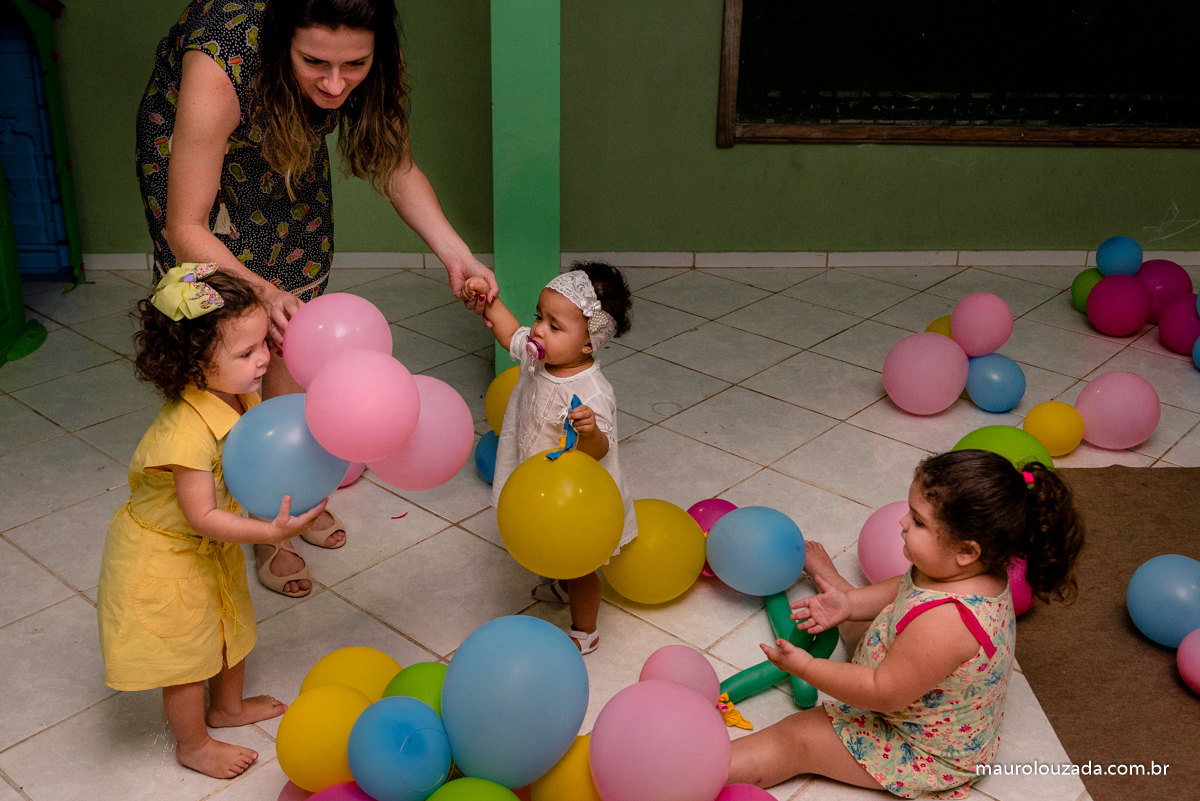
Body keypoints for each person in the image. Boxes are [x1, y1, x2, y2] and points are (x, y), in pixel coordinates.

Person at [136, 0, 498, 594]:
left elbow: (396, 165)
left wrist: (456, 253)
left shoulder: (363, 62)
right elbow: (186, 227)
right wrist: (261, 291)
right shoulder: (221, 63)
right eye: (315, 63)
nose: (335, 84)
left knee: (293, 320)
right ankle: (259, 513)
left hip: (283, 141)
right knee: (233, 337)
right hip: (197, 174)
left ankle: (290, 488)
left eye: (353, 65)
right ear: (281, 41)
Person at [728, 450, 1084, 798]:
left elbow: (882, 692)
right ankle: (835, 584)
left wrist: (806, 667)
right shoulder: (962, 569)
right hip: (908, 673)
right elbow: (904, 588)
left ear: (966, 551)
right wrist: (848, 604)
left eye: (918, 521)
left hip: (920, 749)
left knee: (797, 739)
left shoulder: (946, 623)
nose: (902, 522)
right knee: (858, 621)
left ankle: (706, 770)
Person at [97, 264, 329, 779]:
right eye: (246, 353)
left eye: (263, 343)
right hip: (166, 557)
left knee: (230, 627)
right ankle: (194, 744)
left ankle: (227, 708)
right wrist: (270, 533)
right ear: (195, 364)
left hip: (210, 544)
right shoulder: (185, 433)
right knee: (186, 658)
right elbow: (201, 516)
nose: (264, 358)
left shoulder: (239, 396)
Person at [461, 264, 637, 653]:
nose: (538, 330)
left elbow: (599, 451)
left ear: (588, 344)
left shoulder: (592, 390)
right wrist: (485, 298)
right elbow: (509, 331)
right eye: (539, 316)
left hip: (577, 493)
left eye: (554, 326)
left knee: (581, 562)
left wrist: (589, 432)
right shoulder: (538, 356)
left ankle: (585, 631)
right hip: (540, 478)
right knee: (547, 534)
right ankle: (557, 579)